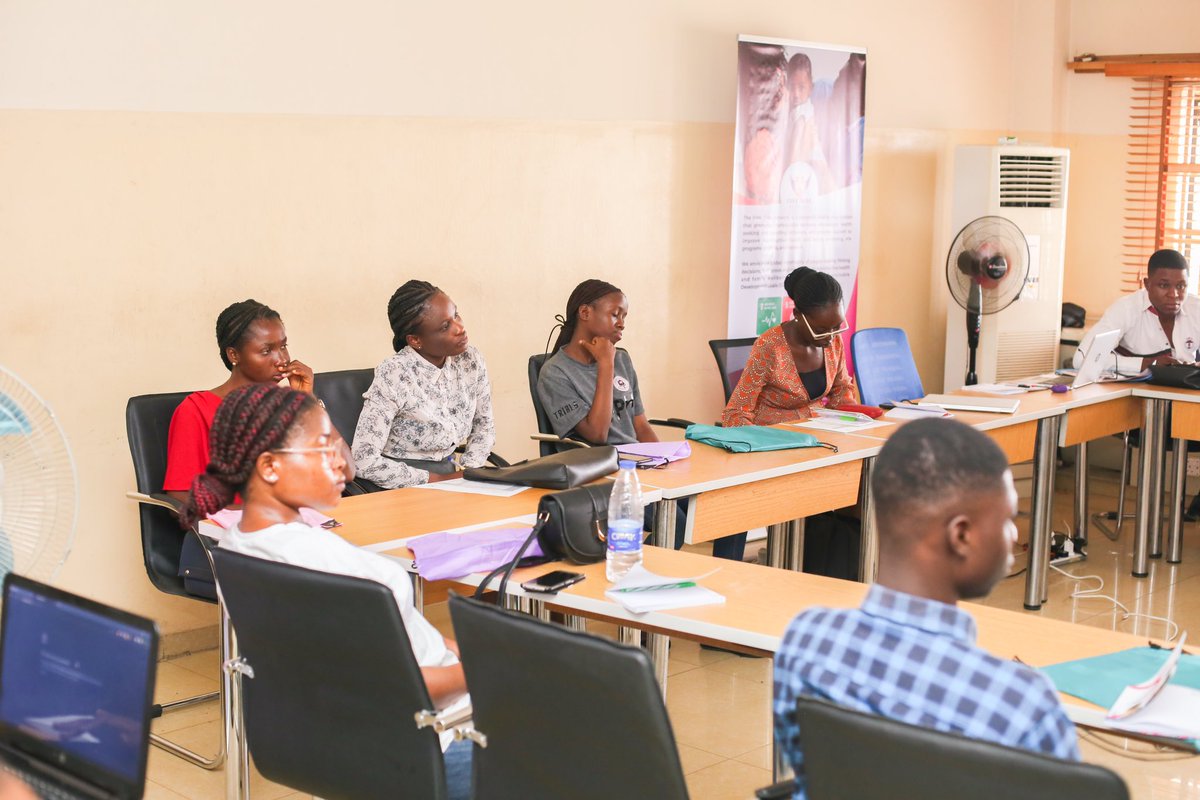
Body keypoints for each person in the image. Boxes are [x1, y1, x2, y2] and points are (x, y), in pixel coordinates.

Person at [179, 384, 472, 799]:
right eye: (323, 448)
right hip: (439, 741)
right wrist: (488, 671)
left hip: (341, 744)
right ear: (270, 467)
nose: (343, 466)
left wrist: (467, 652)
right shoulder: (326, 568)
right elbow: (397, 688)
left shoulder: (237, 548)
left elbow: (399, 642)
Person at [773, 418, 1080, 798]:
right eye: (1008, 520)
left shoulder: (806, 641)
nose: (1016, 535)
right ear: (962, 535)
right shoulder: (1021, 703)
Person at [538, 279, 746, 561]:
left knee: (725, 502)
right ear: (585, 313)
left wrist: (666, 462)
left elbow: (640, 425)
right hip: (601, 471)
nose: (621, 323)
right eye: (615, 314)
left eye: (624, 317)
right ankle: (629, 571)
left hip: (641, 465)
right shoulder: (556, 373)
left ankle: (726, 578)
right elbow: (596, 435)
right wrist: (605, 364)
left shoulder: (622, 359)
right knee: (676, 521)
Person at [163, 299, 319, 499]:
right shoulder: (196, 410)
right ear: (234, 355)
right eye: (266, 351)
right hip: (235, 526)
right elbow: (180, 497)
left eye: (283, 346)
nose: (282, 359)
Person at [352, 280, 496, 489]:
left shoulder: (470, 359)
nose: (459, 328)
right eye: (445, 326)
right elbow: (363, 459)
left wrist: (469, 473)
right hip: (402, 486)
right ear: (415, 340)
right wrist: (439, 481)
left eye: (456, 314)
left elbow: (484, 426)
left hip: (454, 479)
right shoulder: (395, 373)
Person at [722, 267, 856, 427]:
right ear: (798, 315)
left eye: (836, 326)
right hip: (774, 439)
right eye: (821, 330)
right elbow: (736, 412)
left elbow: (841, 390)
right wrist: (755, 442)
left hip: (820, 434)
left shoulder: (833, 340)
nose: (830, 336)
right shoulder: (770, 346)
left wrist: (855, 421)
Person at [1074, 248, 1200, 373]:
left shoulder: (1196, 308)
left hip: (1186, 389)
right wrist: (1147, 363)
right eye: (1164, 285)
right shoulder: (1126, 309)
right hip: (1136, 389)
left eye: (1181, 286)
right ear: (1147, 284)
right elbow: (1082, 358)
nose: (1174, 294)